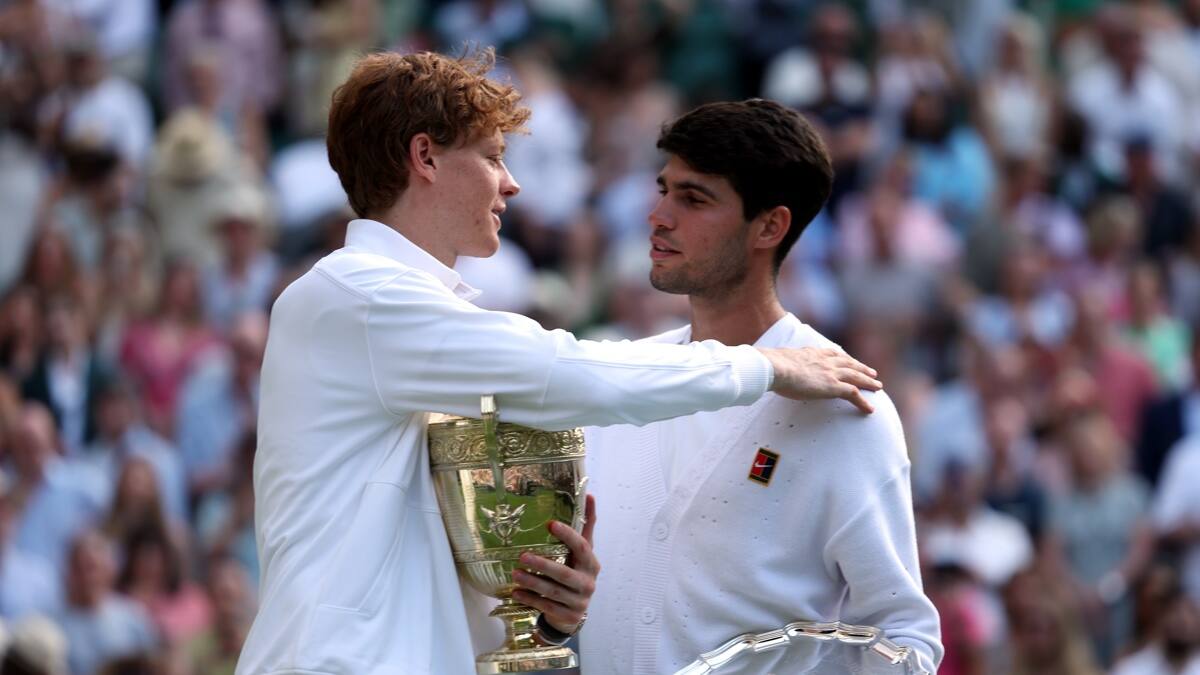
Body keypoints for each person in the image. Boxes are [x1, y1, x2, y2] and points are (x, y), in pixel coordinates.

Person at [237, 50, 882, 675]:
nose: (511, 182)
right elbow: (564, 371)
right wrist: (765, 367)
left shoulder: (396, 312)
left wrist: (550, 617)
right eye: (492, 157)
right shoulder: (357, 296)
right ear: (425, 156)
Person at [576, 99, 943, 674]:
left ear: (770, 226)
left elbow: (905, 641)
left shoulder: (846, 406)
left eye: (693, 199)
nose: (658, 216)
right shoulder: (622, 376)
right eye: (663, 189)